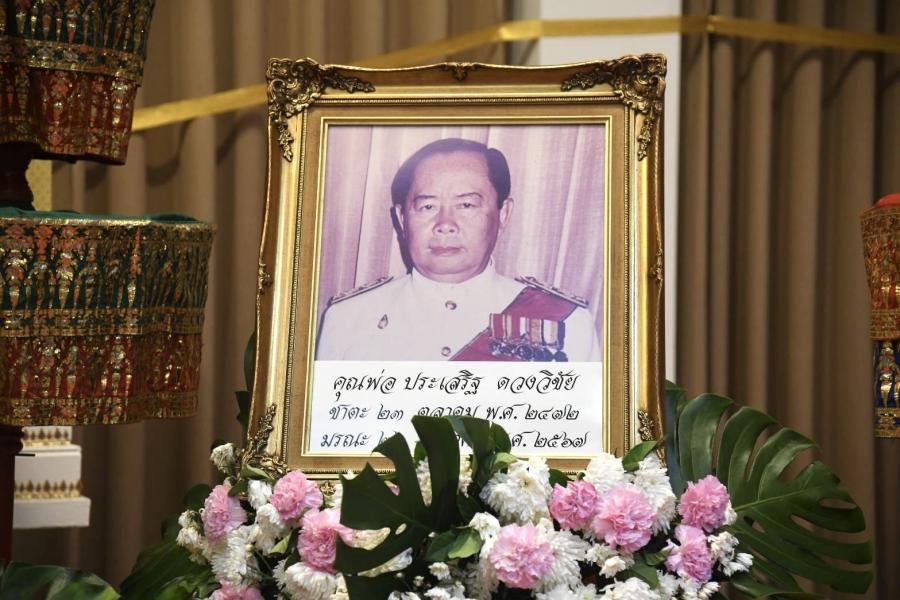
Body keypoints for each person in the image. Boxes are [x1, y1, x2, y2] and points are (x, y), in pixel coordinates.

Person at [316, 138, 601, 362]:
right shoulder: (348, 319)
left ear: (503, 214)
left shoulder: (565, 321)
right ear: (402, 219)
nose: (445, 225)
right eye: (427, 206)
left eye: (466, 205)